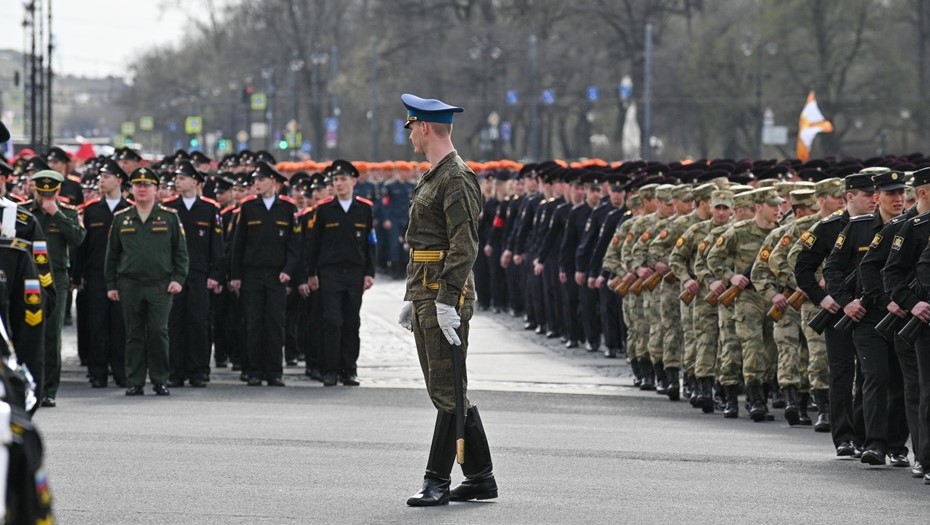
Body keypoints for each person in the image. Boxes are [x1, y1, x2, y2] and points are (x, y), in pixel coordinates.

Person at [396, 93, 496, 506]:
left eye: (411, 128)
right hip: (428, 289)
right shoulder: (435, 175)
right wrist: (413, 294)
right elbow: (424, 243)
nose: (409, 136)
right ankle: (480, 477)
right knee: (448, 388)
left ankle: (436, 480)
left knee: (447, 390)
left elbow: (463, 245)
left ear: (424, 127)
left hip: (442, 294)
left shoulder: (455, 177)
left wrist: (446, 300)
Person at [105, 167, 189, 396]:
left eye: (147, 185)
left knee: (158, 331)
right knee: (134, 334)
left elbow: (181, 252)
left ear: (156, 189)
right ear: (131, 189)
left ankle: (160, 379)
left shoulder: (169, 217)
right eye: (137, 185)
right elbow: (112, 255)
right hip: (130, 284)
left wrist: (178, 279)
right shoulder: (121, 218)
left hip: (160, 285)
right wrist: (111, 284)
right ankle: (135, 381)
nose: (142, 189)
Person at [304, 160, 376, 386]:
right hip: (330, 273)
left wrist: (370, 272)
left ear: (354, 181)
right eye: (335, 180)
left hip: (355, 272)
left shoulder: (364, 209)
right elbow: (315, 244)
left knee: (351, 322)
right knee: (332, 321)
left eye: (343, 179)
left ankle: (349, 369)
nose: (339, 183)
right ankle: (330, 369)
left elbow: (370, 242)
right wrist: (311, 273)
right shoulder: (325, 209)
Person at [228, 161, 300, 387]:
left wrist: (288, 271)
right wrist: (235, 275)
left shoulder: (287, 208)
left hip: (277, 274)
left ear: (274, 182)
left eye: (261, 180)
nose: (256, 184)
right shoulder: (248, 207)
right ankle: (254, 370)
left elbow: (294, 244)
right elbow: (238, 244)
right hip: (253, 274)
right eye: (255, 180)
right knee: (253, 323)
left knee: (275, 324)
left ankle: (274, 371)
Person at [22, 170, 86, 408]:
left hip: (55, 278)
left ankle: (49, 390)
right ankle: (28, 387)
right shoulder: (23, 212)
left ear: (58, 191)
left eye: (49, 194)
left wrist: (56, 213)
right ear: (34, 190)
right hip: (27, 275)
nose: (44, 198)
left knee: (51, 335)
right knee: (26, 331)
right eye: (41, 193)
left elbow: (78, 238)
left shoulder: (68, 212)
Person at [162, 161, 224, 388]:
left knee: (198, 322)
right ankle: (175, 372)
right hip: (174, 275)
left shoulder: (209, 208)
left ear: (195, 181)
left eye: (183, 178)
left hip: (199, 274)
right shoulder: (168, 208)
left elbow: (216, 244)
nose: (178, 182)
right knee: (174, 322)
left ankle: (198, 370)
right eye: (177, 178)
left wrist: (216, 274)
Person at [73, 158, 131, 388]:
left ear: (118, 180)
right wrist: (77, 275)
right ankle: (98, 372)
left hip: (123, 275)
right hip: (96, 275)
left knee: (120, 325)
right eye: (100, 177)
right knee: (97, 325)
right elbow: (83, 246)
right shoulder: (91, 210)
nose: (101, 181)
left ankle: (121, 371)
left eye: (106, 177)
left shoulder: (129, 209)